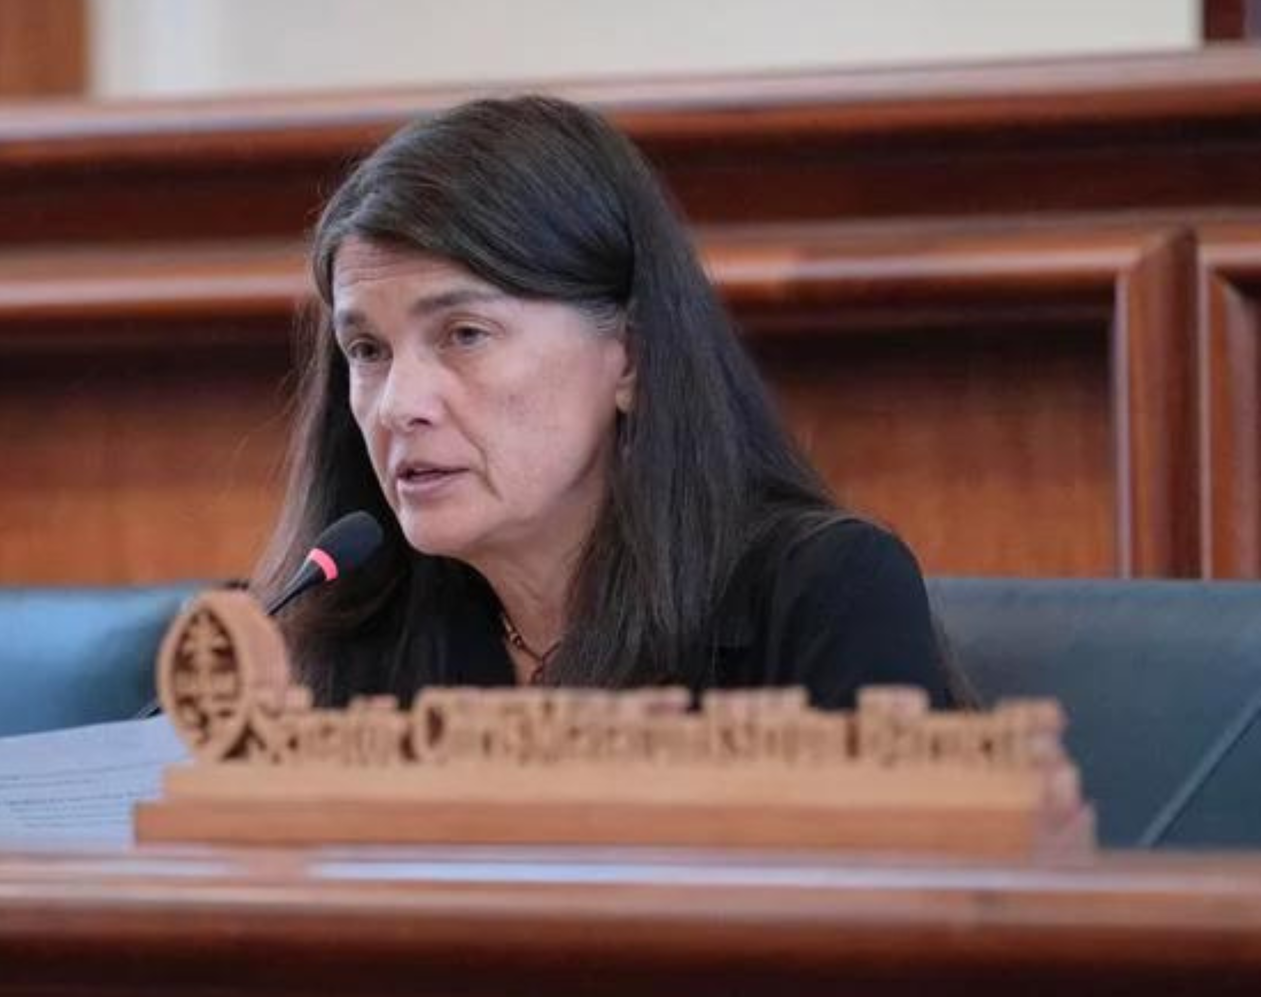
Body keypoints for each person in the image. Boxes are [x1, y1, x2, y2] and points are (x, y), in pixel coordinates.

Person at [255, 94, 965, 710]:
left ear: (630, 354)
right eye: (369, 351)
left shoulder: (823, 596)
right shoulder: (340, 629)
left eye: (465, 334)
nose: (397, 405)